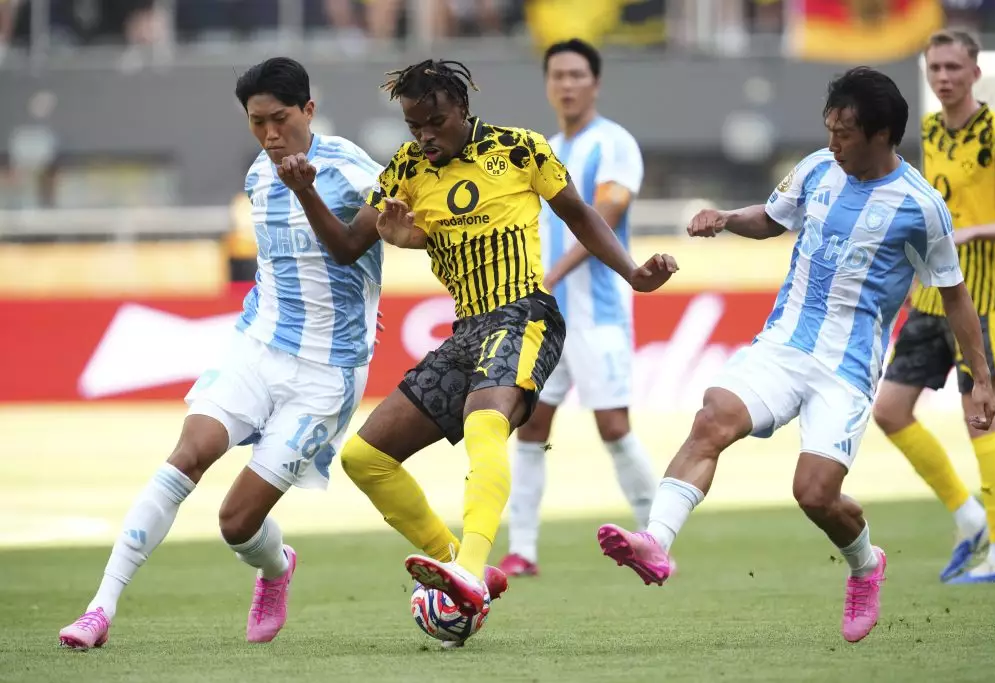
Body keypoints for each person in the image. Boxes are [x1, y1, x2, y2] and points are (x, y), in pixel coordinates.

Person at [594, 66, 995, 644]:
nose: (833, 143)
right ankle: (656, 541)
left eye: (844, 133)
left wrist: (980, 377)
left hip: (846, 369)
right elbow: (771, 219)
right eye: (829, 129)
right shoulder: (816, 169)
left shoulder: (921, 207)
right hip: (784, 343)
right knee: (713, 418)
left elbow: (955, 295)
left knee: (814, 494)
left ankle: (866, 565)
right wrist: (727, 219)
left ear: (882, 135)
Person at [58, 57, 386, 649]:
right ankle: (98, 609)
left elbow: (381, 235)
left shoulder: (355, 170)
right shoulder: (259, 175)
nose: (270, 134)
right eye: (257, 123)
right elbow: (273, 268)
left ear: (309, 110)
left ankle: (277, 566)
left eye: (280, 119)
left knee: (236, 523)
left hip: (326, 373)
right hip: (257, 347)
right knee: (188, 454)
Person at [332, 58, 676, 618]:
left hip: (524, 313)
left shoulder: (519, 148)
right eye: (414, 126)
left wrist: (634, 273)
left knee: (485, 423)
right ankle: (460, 566)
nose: (424, 136)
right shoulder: (405, 169)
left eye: (435, 122)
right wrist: (387, 231)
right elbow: (350, 245)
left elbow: (580, 214)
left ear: (463, 109)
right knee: (363, 457)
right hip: (466, 329)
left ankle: (468, 569)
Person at [499, 38, 657, 578]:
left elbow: (604, 217)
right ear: (547, 84)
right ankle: (522, 550)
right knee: (529, 426)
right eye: (558, 75)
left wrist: (552, 275)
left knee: (613, 427)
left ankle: (656, 536)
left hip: (599, 314)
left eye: (576, 75)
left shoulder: (614, 144)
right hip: (547, 318)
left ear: (596, 82)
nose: (566, 84)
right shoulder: (543, 149)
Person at [872, 30, 995, 585]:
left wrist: (975, 232)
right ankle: (968, 514)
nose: (943, 77)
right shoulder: (931, 129)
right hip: (930, 296)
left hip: (980, 300)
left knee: (980, 419)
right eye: (935, 67)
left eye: (953, 67)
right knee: (889, 411)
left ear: (975, 74)